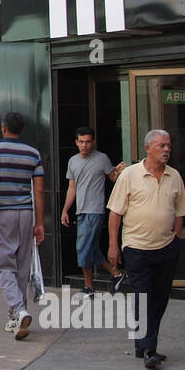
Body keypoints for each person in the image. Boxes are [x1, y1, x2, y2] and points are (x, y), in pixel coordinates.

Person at [107, 129, 185, 370]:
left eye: (169, 146)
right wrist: (114, 246)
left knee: (160, 298)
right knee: (143, 297)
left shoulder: (174, 177)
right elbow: (115, 214)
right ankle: (149, 348)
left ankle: (142, 344)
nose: (166, 150)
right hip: (136, 247)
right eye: (161, 145)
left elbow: (180, 213)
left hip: (166, 247)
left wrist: (175, 240)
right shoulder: (130, 175)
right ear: (148, 149)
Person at [0, 112, 46, 340]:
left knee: (4, 265)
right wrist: (39, 221)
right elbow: (39, 189)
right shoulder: (33, 153)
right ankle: (16, 317)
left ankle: (19, 310)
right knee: (22, 264)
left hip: (2, 212)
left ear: (3, 128)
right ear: (22, 128)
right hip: (26, 213)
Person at [61, 126, 125, 295]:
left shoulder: (102, 158)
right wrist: (65, 210)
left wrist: (119, 171)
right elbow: (71, 188)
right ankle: (116, 274)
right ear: (76, 142)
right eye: (81, 142)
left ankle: (89, 287)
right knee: (91, 247)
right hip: (80, 210)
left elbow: (113, 178)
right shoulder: (72, 161)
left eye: (88, 142)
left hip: (95, 210)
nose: (85, 145)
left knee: (83, 247)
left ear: (93, 142)